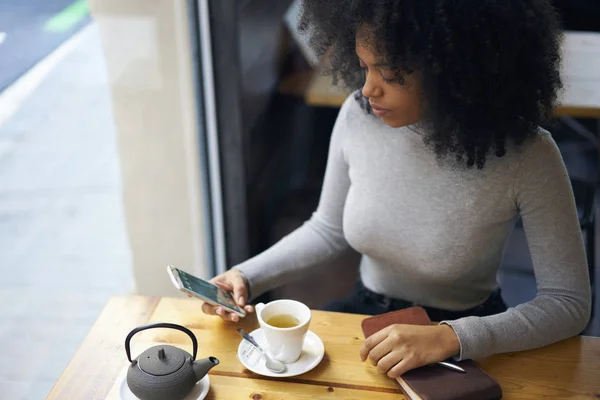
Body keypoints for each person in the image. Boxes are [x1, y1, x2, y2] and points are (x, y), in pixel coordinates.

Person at [202, 0, 592, 378]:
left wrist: (452, 337)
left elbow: (568, 303)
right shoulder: (358, 116)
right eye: (364, 66)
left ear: (453, 70)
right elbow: (328, 229)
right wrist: (246, 277)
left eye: (390, 74)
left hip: (465, 333)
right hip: (366, 315)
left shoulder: (528, 154)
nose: (369, 89)